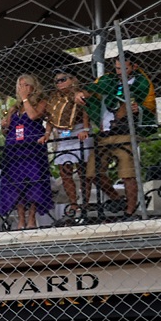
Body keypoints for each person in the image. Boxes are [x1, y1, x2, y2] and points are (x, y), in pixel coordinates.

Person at [85, 55, 152, 218]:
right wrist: (82, 94)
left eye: (124, 68)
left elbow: (149, 105)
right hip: (104, 133)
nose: (120, 72)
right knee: (92, 173)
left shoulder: (141, 83)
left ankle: (130, 210)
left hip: (125, 133)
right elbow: (91, 92)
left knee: (127, 173)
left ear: (134, 67)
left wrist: (139, 109)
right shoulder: (107, 80)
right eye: (117, 68)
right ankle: (116, 198)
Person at [0, 74, 56, 230]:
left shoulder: (41, 102)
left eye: (26, 85)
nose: (22, 88)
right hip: (14, 151)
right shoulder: (14, 108)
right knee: (16, 184)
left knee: (33, 182)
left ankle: (31, 219)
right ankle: (21, 219)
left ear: (33, 87)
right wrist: (4, 125)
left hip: (32, 149)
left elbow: (33, 115)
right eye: (20, 85)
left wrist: (25, 99)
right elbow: (7, 131)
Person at [47, 68, 90, 214]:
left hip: (79, 131)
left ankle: (85, 202)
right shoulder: (54, 97)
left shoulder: (79, 94)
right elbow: (50, 117)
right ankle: (73, 204)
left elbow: (85, 111)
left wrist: (86, 129)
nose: (59, 83)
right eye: (57, 81)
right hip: (62, 134)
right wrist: (47, 133)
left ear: (72, 80)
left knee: (83, 171)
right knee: (65, 172)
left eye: (63, 79)